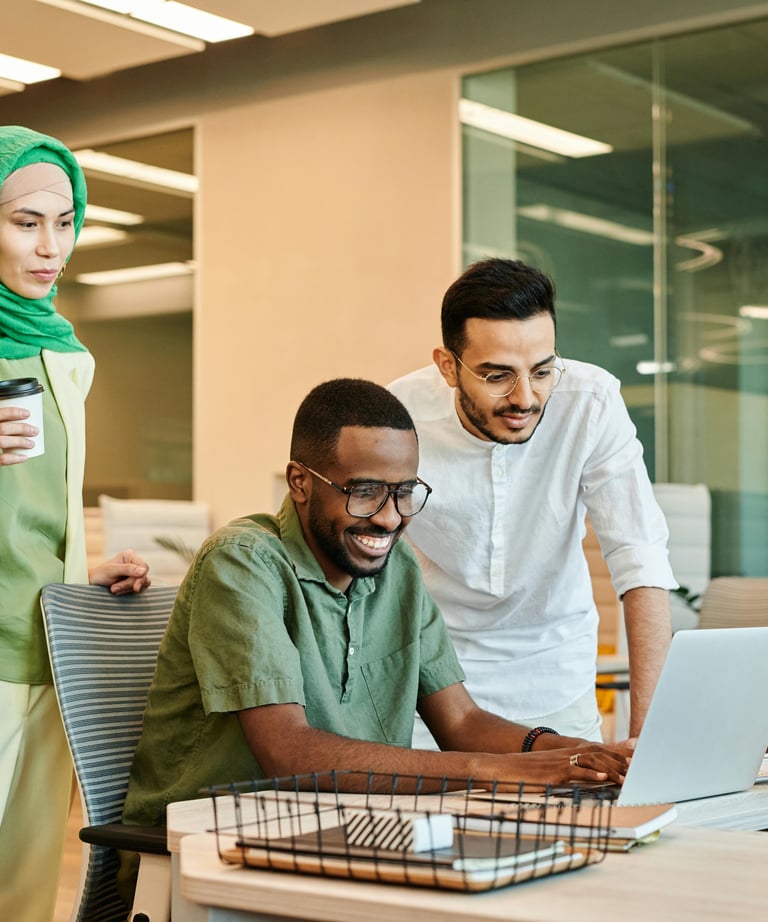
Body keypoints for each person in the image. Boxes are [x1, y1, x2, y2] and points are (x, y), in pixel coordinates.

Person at [120, 378, 630, 899]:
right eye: (364, 492)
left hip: (351, 840)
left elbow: (462, 721)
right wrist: (501, 771)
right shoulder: (244, 563)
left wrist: (581, 756)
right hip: (204, 853)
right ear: (300, 481)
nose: (389, 517)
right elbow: (288, 752)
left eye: (404, 492)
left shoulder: (397, 571)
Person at [389, 258, 677, 747]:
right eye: (497, 375)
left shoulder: (592, 402)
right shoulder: (397, 418)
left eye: (542, 371)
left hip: (556, 680)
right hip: (432, 690)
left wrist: (650, 735)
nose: (525, 397)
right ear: (447, 367)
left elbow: (639, 558)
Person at [0, 125, 151, 922]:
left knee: (23, 894)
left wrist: (73, 571)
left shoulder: (63, 354)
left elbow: (26, 515)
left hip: (43, 657)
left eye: (65, 222)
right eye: (25, 221)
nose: (50, 245)